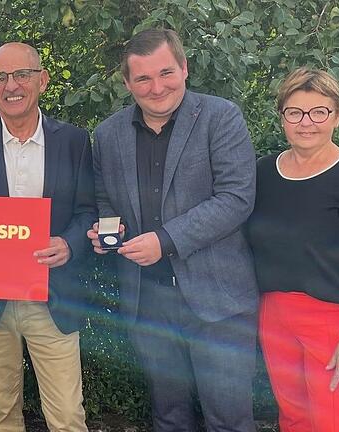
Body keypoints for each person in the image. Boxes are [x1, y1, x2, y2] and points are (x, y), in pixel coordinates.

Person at [87, 28, 259, 431]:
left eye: (165, 73)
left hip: (219, 301)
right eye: (143, 78)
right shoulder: (108, 135)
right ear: (128, 83)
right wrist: (107, 231)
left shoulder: (221, 117)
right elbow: (105, 199)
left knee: (229, 419)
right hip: (149, 300)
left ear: (184, 68)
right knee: (168, 416)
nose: (156, 87)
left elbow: (236, 198)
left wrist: (164, 241)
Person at [0, 42, 96, 431]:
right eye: (0, 77)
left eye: (22, 75)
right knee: (3, 413)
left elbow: (86, 212)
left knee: (67, 415)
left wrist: (69, 243)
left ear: (42, 80)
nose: (12, 85)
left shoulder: (74, 141)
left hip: (53, 297)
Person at [245, 67, 339, 432]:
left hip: (335, 321)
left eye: (318, 111)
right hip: (275, 314)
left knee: (332, 423)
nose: (306, 122)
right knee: (293, 420)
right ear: (282, 118)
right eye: (295, 112)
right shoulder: (263, 173)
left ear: (337, 115)